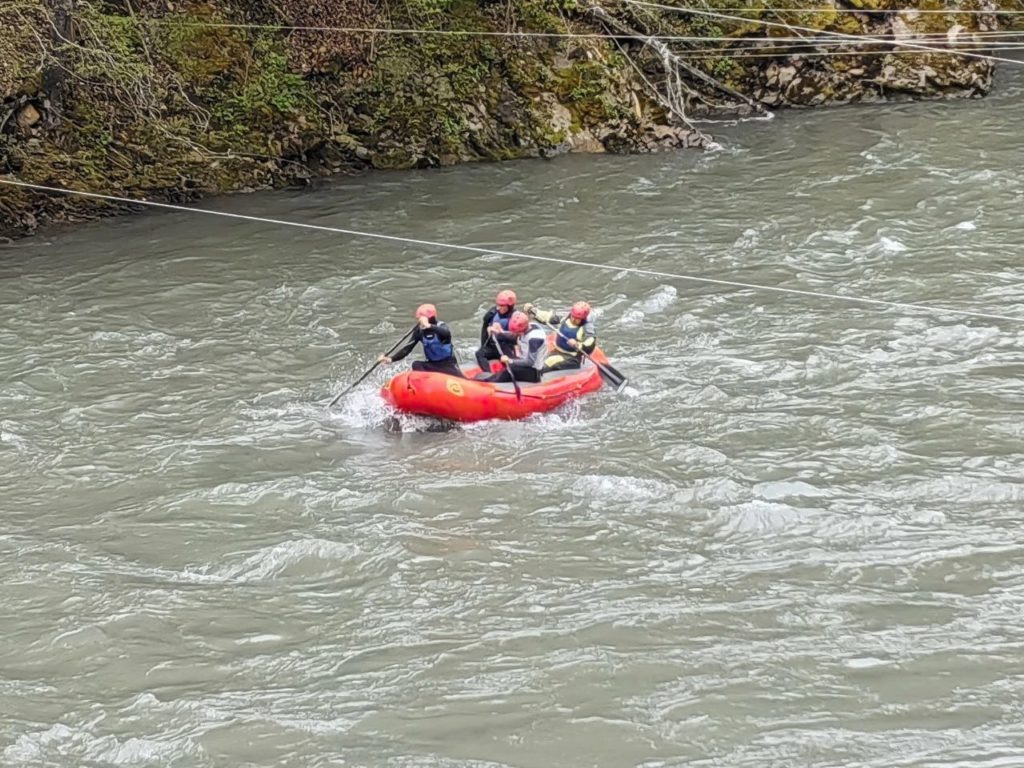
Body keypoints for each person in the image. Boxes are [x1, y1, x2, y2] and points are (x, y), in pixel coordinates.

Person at [379, 303, 465, 378]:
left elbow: (446, 333)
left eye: (421, 318)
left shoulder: (441, 327)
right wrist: (391, 359)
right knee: (416, 365)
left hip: (448, 365)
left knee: (463, 381)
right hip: (432, 365)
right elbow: (407, 349)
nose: (420, 321)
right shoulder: (419, 331)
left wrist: (428, 326)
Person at [475, 311, 547, 383]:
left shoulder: (534, 339)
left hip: (533, 371)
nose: (514, 333)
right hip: (523, 361)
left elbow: (530, 362)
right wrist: (499, 332)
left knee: (510, 370)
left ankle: (486, 381)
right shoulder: (528, 326)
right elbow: (514, 336)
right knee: (501, 341)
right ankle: (491, 374)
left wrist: (510, 361)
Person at [524, 300, 596, 372]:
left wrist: (577, 344)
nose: (573, 319)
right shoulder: (566, 318)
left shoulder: (587, 328)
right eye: (573, 316)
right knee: (535, 358)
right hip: (557, 350)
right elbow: (549, 317)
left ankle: (532, 374)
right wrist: (533, 311)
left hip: (571, 357)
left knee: (547, 363)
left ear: (583, 318)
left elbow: (590, 343)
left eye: (577, 319)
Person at [474, 289, 518, 371]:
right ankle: (488, 374)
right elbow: (484, 332)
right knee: (479, 353)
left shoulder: (516, 317)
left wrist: (501, 332)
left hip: (507, 348)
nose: (499, 308)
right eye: (498, 305)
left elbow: (517, 338)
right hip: (494, 347)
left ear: (509, 306)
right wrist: (484, 346)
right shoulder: (492, 313)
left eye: (502, 306)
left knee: (511, 364)